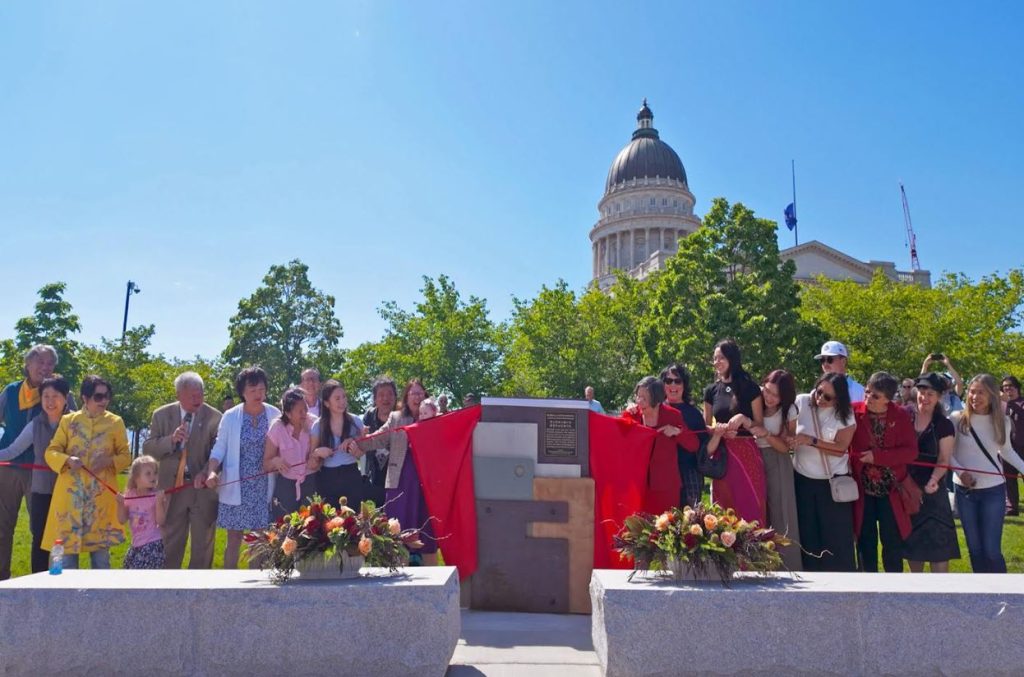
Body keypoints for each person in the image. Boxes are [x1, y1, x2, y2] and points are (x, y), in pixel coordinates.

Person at [43, 375, 131, 569]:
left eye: (107, 396)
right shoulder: (68, 421)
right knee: (65, 561)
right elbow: (51, 451)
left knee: (101, 561)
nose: (104, 401)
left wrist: (109, 461)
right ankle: (64, 598)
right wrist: (67, 459)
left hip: (100, 502)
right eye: (98, 397)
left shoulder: (115, 422)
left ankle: (103, 600)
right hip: (69, 501)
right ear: (85, 397)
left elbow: (126, 456)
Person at [141, 371, 222, 569]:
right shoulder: (161, 415)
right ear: (179, 395)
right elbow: (149, 449)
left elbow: (219, 452)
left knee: (203, 545)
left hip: (201, 489)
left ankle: (200, 590)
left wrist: (205, 472)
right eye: (192, 396)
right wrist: (171, 440)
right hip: (171, 489)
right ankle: (169, 590)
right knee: (171, 544)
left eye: (200, 394)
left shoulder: (215, 417)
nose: (198, 399)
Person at [204, 367, 281, 569]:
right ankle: (230, 581)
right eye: (253, 389)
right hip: (235, 485)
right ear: (242, 392)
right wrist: (212, 471)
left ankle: (258, 581)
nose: (258, 394)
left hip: (264, 484)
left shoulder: (274, 413)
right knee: (234, 538)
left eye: (262, 389)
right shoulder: (230, 416)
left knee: (260, 538)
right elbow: (219, 448)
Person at [356, 379, 436, 564]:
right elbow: (377, 439)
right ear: (406, 397)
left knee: (428, 534)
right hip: (400, 482)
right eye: (412, 393)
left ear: (425, 396)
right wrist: (358, 442)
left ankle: (434, 582)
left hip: (428, 485)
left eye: (420, 393)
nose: (417, 397)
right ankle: (400, 579)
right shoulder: (396, 418)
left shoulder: (436, 419)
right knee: (398, 533)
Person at [950, 374, 1024, 573]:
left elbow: (1006, 451)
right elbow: (947, 454)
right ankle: (981, 598)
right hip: (965, 492)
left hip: (993, 491)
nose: (975, 397)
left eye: (980, 392)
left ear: (992, 395)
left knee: (991, 550)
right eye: (972, 392)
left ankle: (1004, 595)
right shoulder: (957, 419)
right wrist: (961, 472)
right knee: (975, 550)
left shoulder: (1003, 421)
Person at [0, 375, 72, 573]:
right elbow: (13, 450)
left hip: (68, 491)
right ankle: (39, 581)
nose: (50, 401)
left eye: (55, 396)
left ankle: (59, 577)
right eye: (46, 396)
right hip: (40, 489)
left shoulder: (75, 423)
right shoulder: (35, 425)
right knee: (39, 537)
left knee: (63, 537)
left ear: (66, 398)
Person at [850, 372, 917, 573]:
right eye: (867, 392)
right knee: (865, 541)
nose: (868, 399)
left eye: (875, 396)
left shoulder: (901, 415)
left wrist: (878, 457)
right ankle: (866, 586)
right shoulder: (854, 412)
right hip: (863, 489)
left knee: (892, 543)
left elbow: (911, 452)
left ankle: (893, 588)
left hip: (892, 490)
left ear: (888, 399)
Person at [790, 373, 858, 571]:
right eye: (819, 392)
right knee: (808, 535)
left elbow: (840, 448)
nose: (821, 399)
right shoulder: (801, 402)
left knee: (836, 539)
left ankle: (842, 583)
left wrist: (810, 440)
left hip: (831, 482)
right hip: (802, 479)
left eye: (828, 397)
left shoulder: (845, 415)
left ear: (839, 399)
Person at [703, 339, 767, 525]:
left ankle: (755, 553)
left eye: (721, 358)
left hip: (747, 455)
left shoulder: (750, 387)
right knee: (723, 512)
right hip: (722, 456)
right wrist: (719, 431)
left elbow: (759, 425)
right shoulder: (711, 391)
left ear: (732, 358)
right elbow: (705, 427)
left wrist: (744, 420)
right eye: (714, 359)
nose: (716, 362)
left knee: (750, 508)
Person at [903, 372, 960, 572]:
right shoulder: (905, 416)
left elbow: (944, 459)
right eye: (922, 392)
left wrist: (934, 480)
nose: (924, 398)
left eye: (931, 394)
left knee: (938, 548)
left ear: (939, 398)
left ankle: (941, 594)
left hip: (933, 491)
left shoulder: (943, 425)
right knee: (912, 545)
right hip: (906, 489)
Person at [747, 369, 802, 570]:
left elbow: (785, 446)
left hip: (777, 460)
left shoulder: (789, 411)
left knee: (782, 513)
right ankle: (757, 563)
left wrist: (767, 434)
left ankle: (788, 566)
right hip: (753, 458)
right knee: (757, 511)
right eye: (767, 391)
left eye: (775, 395)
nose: (769, 397)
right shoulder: (754, 399)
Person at [623, 376, 697, 514]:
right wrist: (627, 411)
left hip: (666, 487)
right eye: (638, 397)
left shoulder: (673, 416)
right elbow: (617, 434)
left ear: (657, 401)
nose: (639, 402)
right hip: (637, 485)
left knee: (663, 530)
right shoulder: (632, 415)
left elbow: (693, 445)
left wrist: (678, 432)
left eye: (644, 398)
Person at [265, 387, 323, 519]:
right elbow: (266, 463)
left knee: (312, 528)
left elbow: (323, 455)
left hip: (311, 482)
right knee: (284, 529)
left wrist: (318, 460)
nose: (305, 414)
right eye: (300, 411)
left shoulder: (314, 423)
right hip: (286, 486)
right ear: (288, 413)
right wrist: (275, 461)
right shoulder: (277, 427)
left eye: (306, 408)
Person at [660, 363, 707, 509]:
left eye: (678, 381)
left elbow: (701, 447)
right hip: (662, 474)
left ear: (684, 385)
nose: (673, 385)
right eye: (668, 381)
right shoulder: (654, 409)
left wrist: (680, 434)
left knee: (691, 522)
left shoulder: (694, 414)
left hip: (689, 474)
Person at [116, 455, 168, 569]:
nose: (153, 476)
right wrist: (120, 504)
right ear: (136, 478)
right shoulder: (130, 494)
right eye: (148, 473)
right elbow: (122, 520)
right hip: (136, 544)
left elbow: (161, 521)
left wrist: (159, 503)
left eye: (155, 473)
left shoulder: (156, 496)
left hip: (152, 544)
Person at [362, 376, 397, 488]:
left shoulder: (402, 417)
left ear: (395, 397)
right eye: (381, 395)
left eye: (390, 394)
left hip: (396, 478)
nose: (386, 398)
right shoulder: (368, 416)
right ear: (375, 399)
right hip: (373, 477)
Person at [1000, 375, 1023, 516]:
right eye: (1004, 387)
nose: (1008, 389)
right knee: (1009, 478)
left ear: (1017, 387)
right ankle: (1012, 507)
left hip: (1023, 446)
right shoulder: (1002, 405)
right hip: (1007, 447)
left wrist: (1010, 403)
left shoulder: (1021, 402)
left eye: (1010, 386)